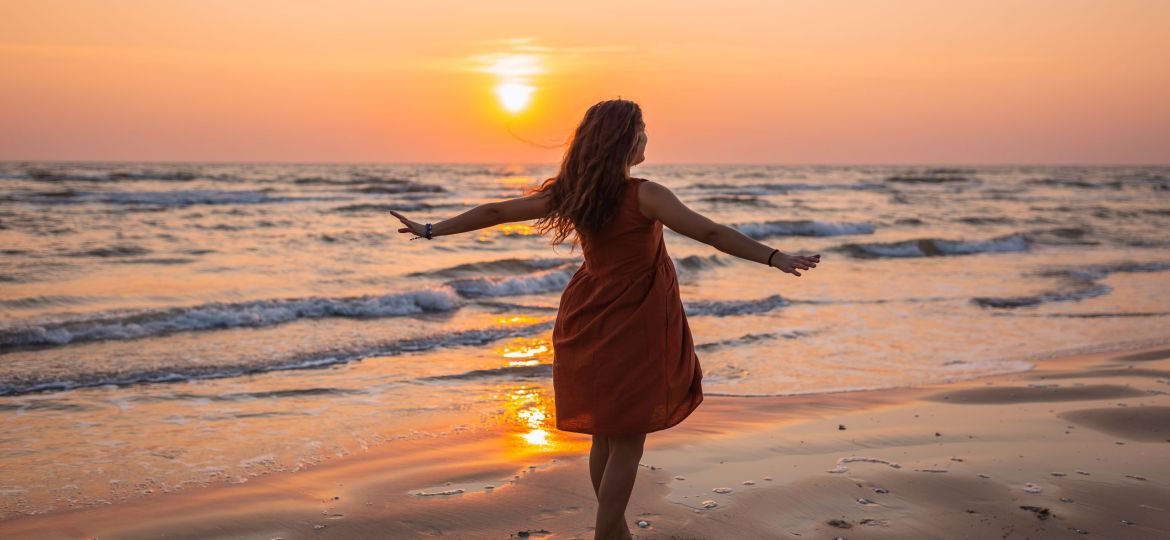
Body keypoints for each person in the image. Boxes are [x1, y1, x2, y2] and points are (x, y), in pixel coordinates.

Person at [390, 98, 820, 540]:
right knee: (628, 439)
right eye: (643, 128)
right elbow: (710, 233)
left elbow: (498, 212)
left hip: (585, 314)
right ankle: (607, 536)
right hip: (635, 321)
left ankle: (617, 533)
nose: (648, 136)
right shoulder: (645, 194)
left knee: (605, 435)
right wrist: (773, 257)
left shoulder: (574, 195)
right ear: (626, 139)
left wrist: (430, 230)